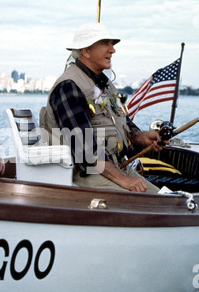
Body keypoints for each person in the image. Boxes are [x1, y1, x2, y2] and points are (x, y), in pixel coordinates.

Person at [40, 22, 167, 193]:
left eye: (111, 44)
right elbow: (84, 147)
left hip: (114, 168)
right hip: (86, 174)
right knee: (149, 205)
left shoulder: (104, 85)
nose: (112, 50)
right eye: (104, 43)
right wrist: (124, 180)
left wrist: (143, 137)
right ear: (85, 51)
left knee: (167, 200)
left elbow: (123, 123)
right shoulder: (69, 87)